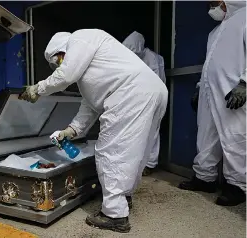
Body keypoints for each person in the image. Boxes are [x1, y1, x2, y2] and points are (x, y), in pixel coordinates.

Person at [20, 29, 168, 233]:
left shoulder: (80, 38)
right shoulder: (94, 73)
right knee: (135, 153)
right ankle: (123, 198)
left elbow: (65, 76)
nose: (59, 65)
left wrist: (38, 88)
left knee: (110, 152)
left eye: (59, 60)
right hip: (152, 91)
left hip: (131, 93)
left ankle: (115, 215)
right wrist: (70, 131)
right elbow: (89, 108)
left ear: (63, 49)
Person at [179, 1, 246, 206]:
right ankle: (204, 178)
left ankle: (238, 186)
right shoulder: (214, 32)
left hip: (233, 91)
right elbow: (210, 63)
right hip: (209, 92)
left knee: (235, 136)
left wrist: (245, 83)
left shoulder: (245, 18)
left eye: (215, 2)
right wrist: (200, 88)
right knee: (206, 135)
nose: (211, 7)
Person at [122, 31, 166, 176]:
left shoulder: (152, 58)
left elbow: (156, 81)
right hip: (137, 101)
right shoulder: (130, 58)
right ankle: (136, 163)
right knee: (136, 133)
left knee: (151, 132)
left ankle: (150, 164)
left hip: (153, 100)